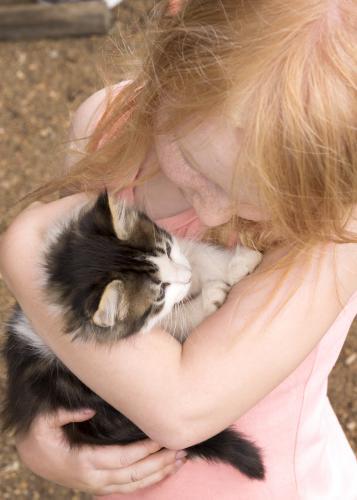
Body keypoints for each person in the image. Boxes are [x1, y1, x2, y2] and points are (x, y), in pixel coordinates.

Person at [1, 0, 356, 498]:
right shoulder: (105, 126)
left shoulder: (330, 237)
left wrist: (23, 248)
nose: (212, 216)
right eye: (193, 163)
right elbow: (77, 297)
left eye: (256, 201)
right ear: (173, 60)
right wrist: (38, 434)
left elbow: (182, 408)